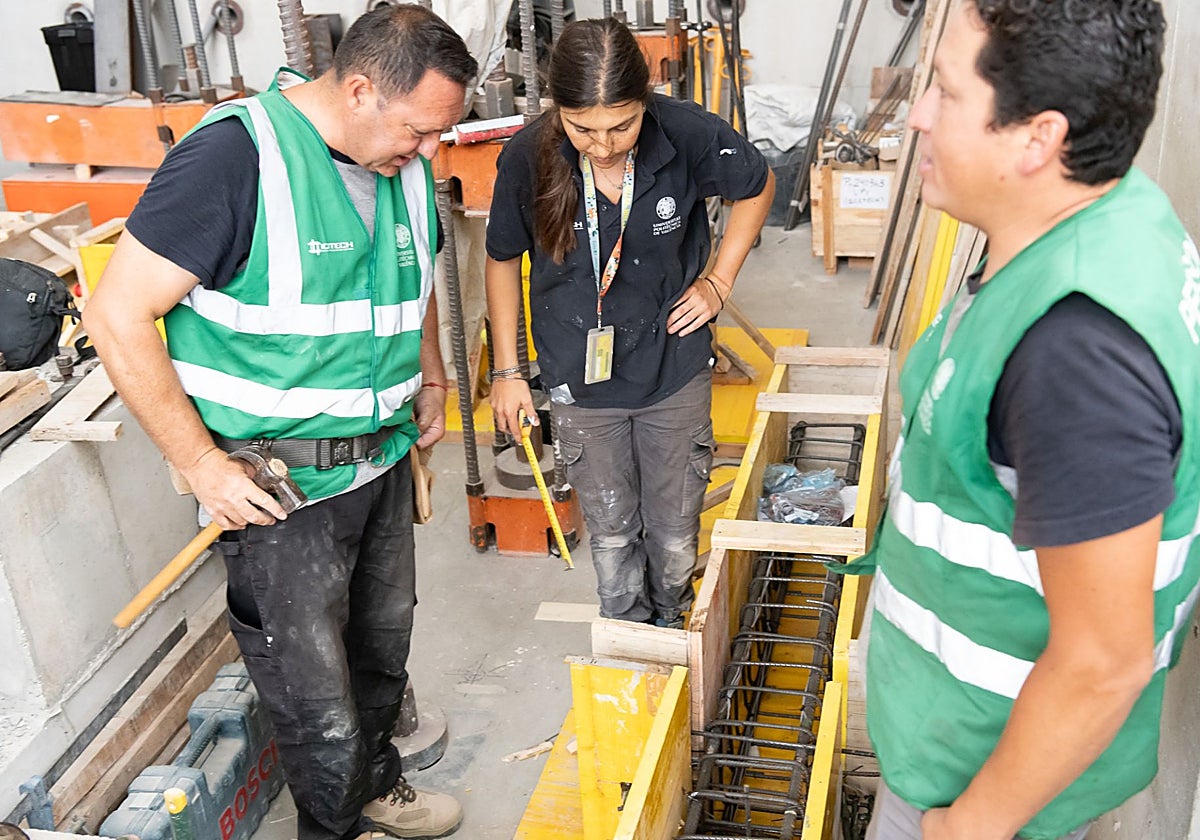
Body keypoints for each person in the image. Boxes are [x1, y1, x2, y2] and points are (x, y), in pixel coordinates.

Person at [83, 7, 477, 840]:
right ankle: (336, 831)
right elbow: (116, 315)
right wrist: (199, 463)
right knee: (314, 699)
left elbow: (411, 263)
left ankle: (376, 789)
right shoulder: (233, 159)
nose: (429, 149)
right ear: (362, 89)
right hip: (281, 491)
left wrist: (432, 374)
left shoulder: (399, 159)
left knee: (379, 660)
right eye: (420, 129)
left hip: (380, 463)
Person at [853, 2, 1200, 839]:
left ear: (1037, 139)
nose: (920, 114)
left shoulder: (1078, 353)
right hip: (958, 741)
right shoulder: (1099, 219)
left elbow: (1100, 663)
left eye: (943, 90)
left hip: (986, 782)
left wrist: (967, 825)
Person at [485, 18, 774, 628]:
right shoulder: (525, 157)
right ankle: (626, 635)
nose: (604, 144)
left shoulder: (688, 132)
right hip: (579, 380)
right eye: (582, 128)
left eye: (622, 124)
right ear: (557, 110)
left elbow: (757, 184)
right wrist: (509, 372)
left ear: (645, 103)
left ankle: (673, 624)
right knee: (613, 531)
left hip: (674, 366)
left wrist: (719, 279)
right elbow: (502, 259)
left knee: (673, 530)